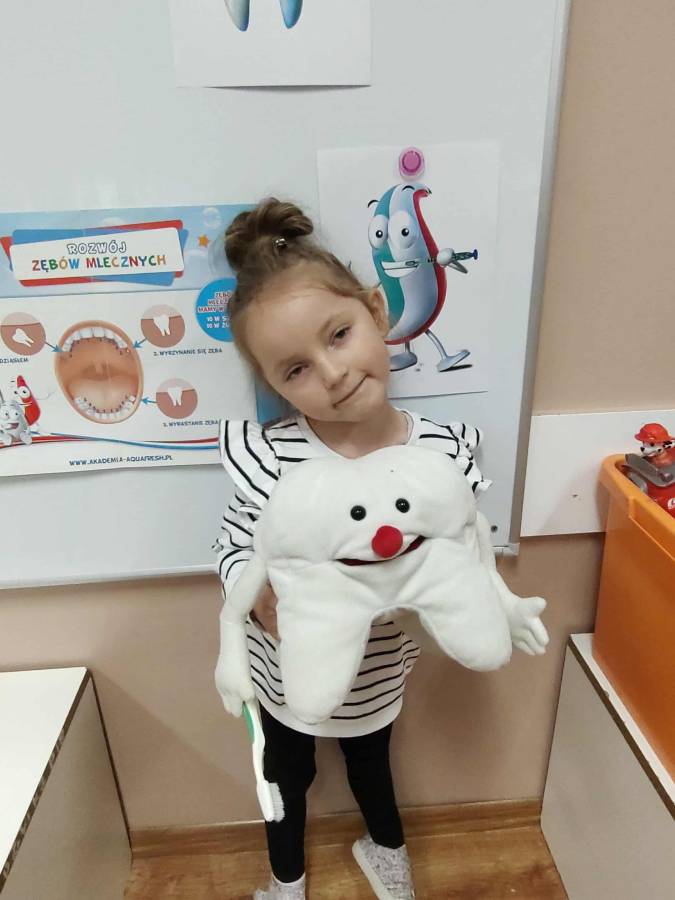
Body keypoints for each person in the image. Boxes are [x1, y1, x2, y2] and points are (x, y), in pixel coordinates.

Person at [214, 198, 490, 900]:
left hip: (377, 674)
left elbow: (461, 547)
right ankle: (286, 879)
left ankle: (386, 850)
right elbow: (232, 548)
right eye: (295, 370)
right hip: (285, 676)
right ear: (273, 385)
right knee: (287, 774)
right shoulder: (273, 459)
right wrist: (260, 597)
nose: (332, 374)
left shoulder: (440, 451)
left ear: (375, 310)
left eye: (338, 335)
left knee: (371, 766)